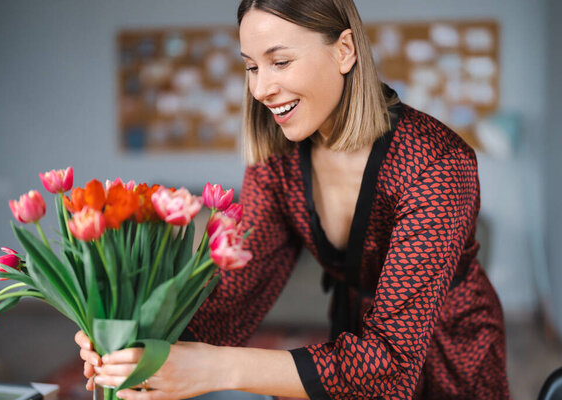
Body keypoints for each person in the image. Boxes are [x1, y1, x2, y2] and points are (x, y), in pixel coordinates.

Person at [76, 0, 510, 398]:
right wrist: (137, 346)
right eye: (251, 67)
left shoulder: (435, 162)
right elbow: (235, 301)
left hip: (452, 358)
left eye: (280, 61)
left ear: (345, 51)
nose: (261, 89)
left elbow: (391, 364)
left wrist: (219, 368)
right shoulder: (278, 162)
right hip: (352, 352)